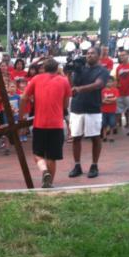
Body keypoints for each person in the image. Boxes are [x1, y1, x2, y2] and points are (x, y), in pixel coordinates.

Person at [20, 58, 71, 188]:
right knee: (52, 157)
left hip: (39, 123)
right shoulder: (64, 81)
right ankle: (49, 184)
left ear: (43, 68)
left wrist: (21, 117)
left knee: (38, 154)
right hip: (57, 124)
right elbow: (65, 104)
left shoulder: (36, 79)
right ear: (57, 68)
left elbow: (24, 97)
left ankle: (44, 171)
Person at [69, 47, 109, 179]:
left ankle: (94, 165)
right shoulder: (80, 69)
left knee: (95, 137)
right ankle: (77, 165)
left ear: (98, 56)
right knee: (76, 137)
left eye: (92, 53)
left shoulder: (102, 70)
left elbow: (98, 84)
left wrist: (80, 89)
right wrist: (71, 71)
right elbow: (72, 86)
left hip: (93, 108)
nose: (89, 55)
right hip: (77, 107)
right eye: (88, 53)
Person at [101, 76, 119, 142]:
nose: (109, 83)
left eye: (110, 82)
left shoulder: (115, 90)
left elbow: (115, 99)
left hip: (112, 111)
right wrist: (109, 100)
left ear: (113, 83)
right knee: (104, 124)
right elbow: (102, 101)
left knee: (112, 124)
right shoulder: (103, 91)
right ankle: (104, 136)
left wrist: (107, 99)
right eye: (107, 82)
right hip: (104, 110)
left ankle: (111, 137)